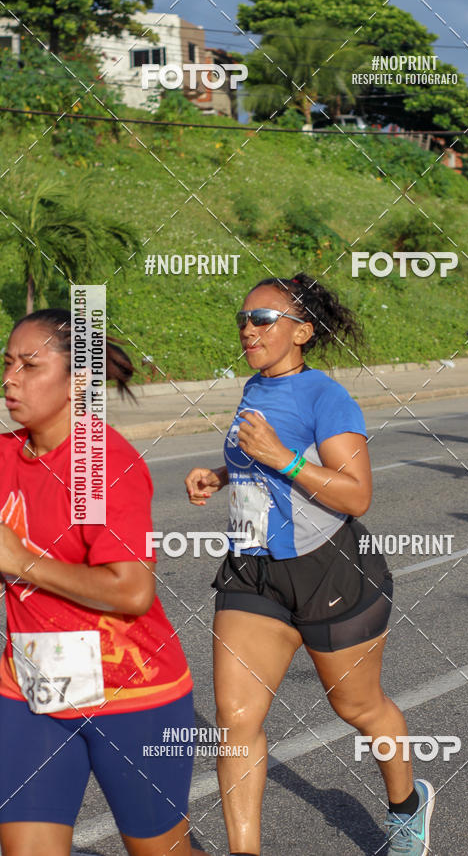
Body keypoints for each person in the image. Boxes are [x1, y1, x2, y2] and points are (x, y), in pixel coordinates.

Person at [185, 274, 434, 856]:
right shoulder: (254, 387)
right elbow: (261, 461)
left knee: (358, 707)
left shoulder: (327, 396)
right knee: (236, 718)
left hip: (329, 570)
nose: (248, 329)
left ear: (301, 331)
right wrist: (221, 475)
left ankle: (407, 808)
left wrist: (283, 456)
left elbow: (355, 495)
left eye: (263, 319)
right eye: (243, 319)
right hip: (253, 569)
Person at [0, 309, 208, 856]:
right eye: (7, 363)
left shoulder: (101, 462)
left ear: (78, 381)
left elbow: (131, 589)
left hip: (133, 692)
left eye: (29, 365)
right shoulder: (5, 456)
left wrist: (21, 561)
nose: (10, 379)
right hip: (31, 688)